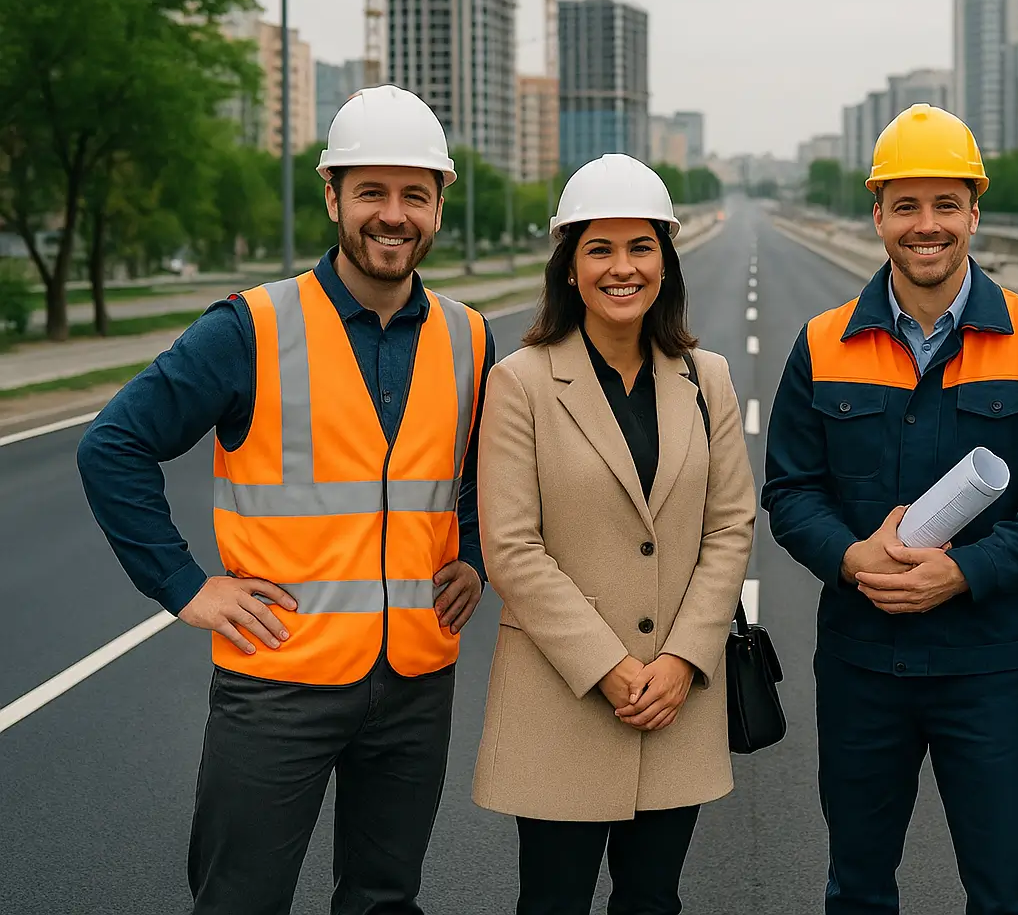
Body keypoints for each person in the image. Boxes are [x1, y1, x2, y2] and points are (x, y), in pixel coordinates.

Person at [75, 84, 493, 915]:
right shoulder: (249, 329)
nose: (393, 214)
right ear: (333, 196)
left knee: (384, 900)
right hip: (278, 684)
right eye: (370, 191)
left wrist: (473, 557)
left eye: (415, 193)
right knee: (240, 900)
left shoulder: (469, 334)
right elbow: (111, 447)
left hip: (415, 680)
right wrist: (187, 587)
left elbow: (470, 468)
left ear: (440, 203)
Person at [761, 104, 1018, 915]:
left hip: (988, 672)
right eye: (907, 205)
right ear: (877, 213)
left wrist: (965, 572)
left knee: (1003, 892)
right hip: (860, 668)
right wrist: (849, 558)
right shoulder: (821, 345)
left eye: (946, 204)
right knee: (858, 888)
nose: (928, 226)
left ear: (974, 213)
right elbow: (790, 490)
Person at [471, 153, 756, 915]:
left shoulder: (709, 378)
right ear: (569, 267)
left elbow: (730, 526)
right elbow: (512, 549)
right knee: (553, 902)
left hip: (675, 698)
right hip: (564, 695)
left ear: (667, 259)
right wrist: (610, 667)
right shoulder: (521, 383)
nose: (621, 268)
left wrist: (681, 661)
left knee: (653, 899)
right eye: (599, 249)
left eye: (640, 247)